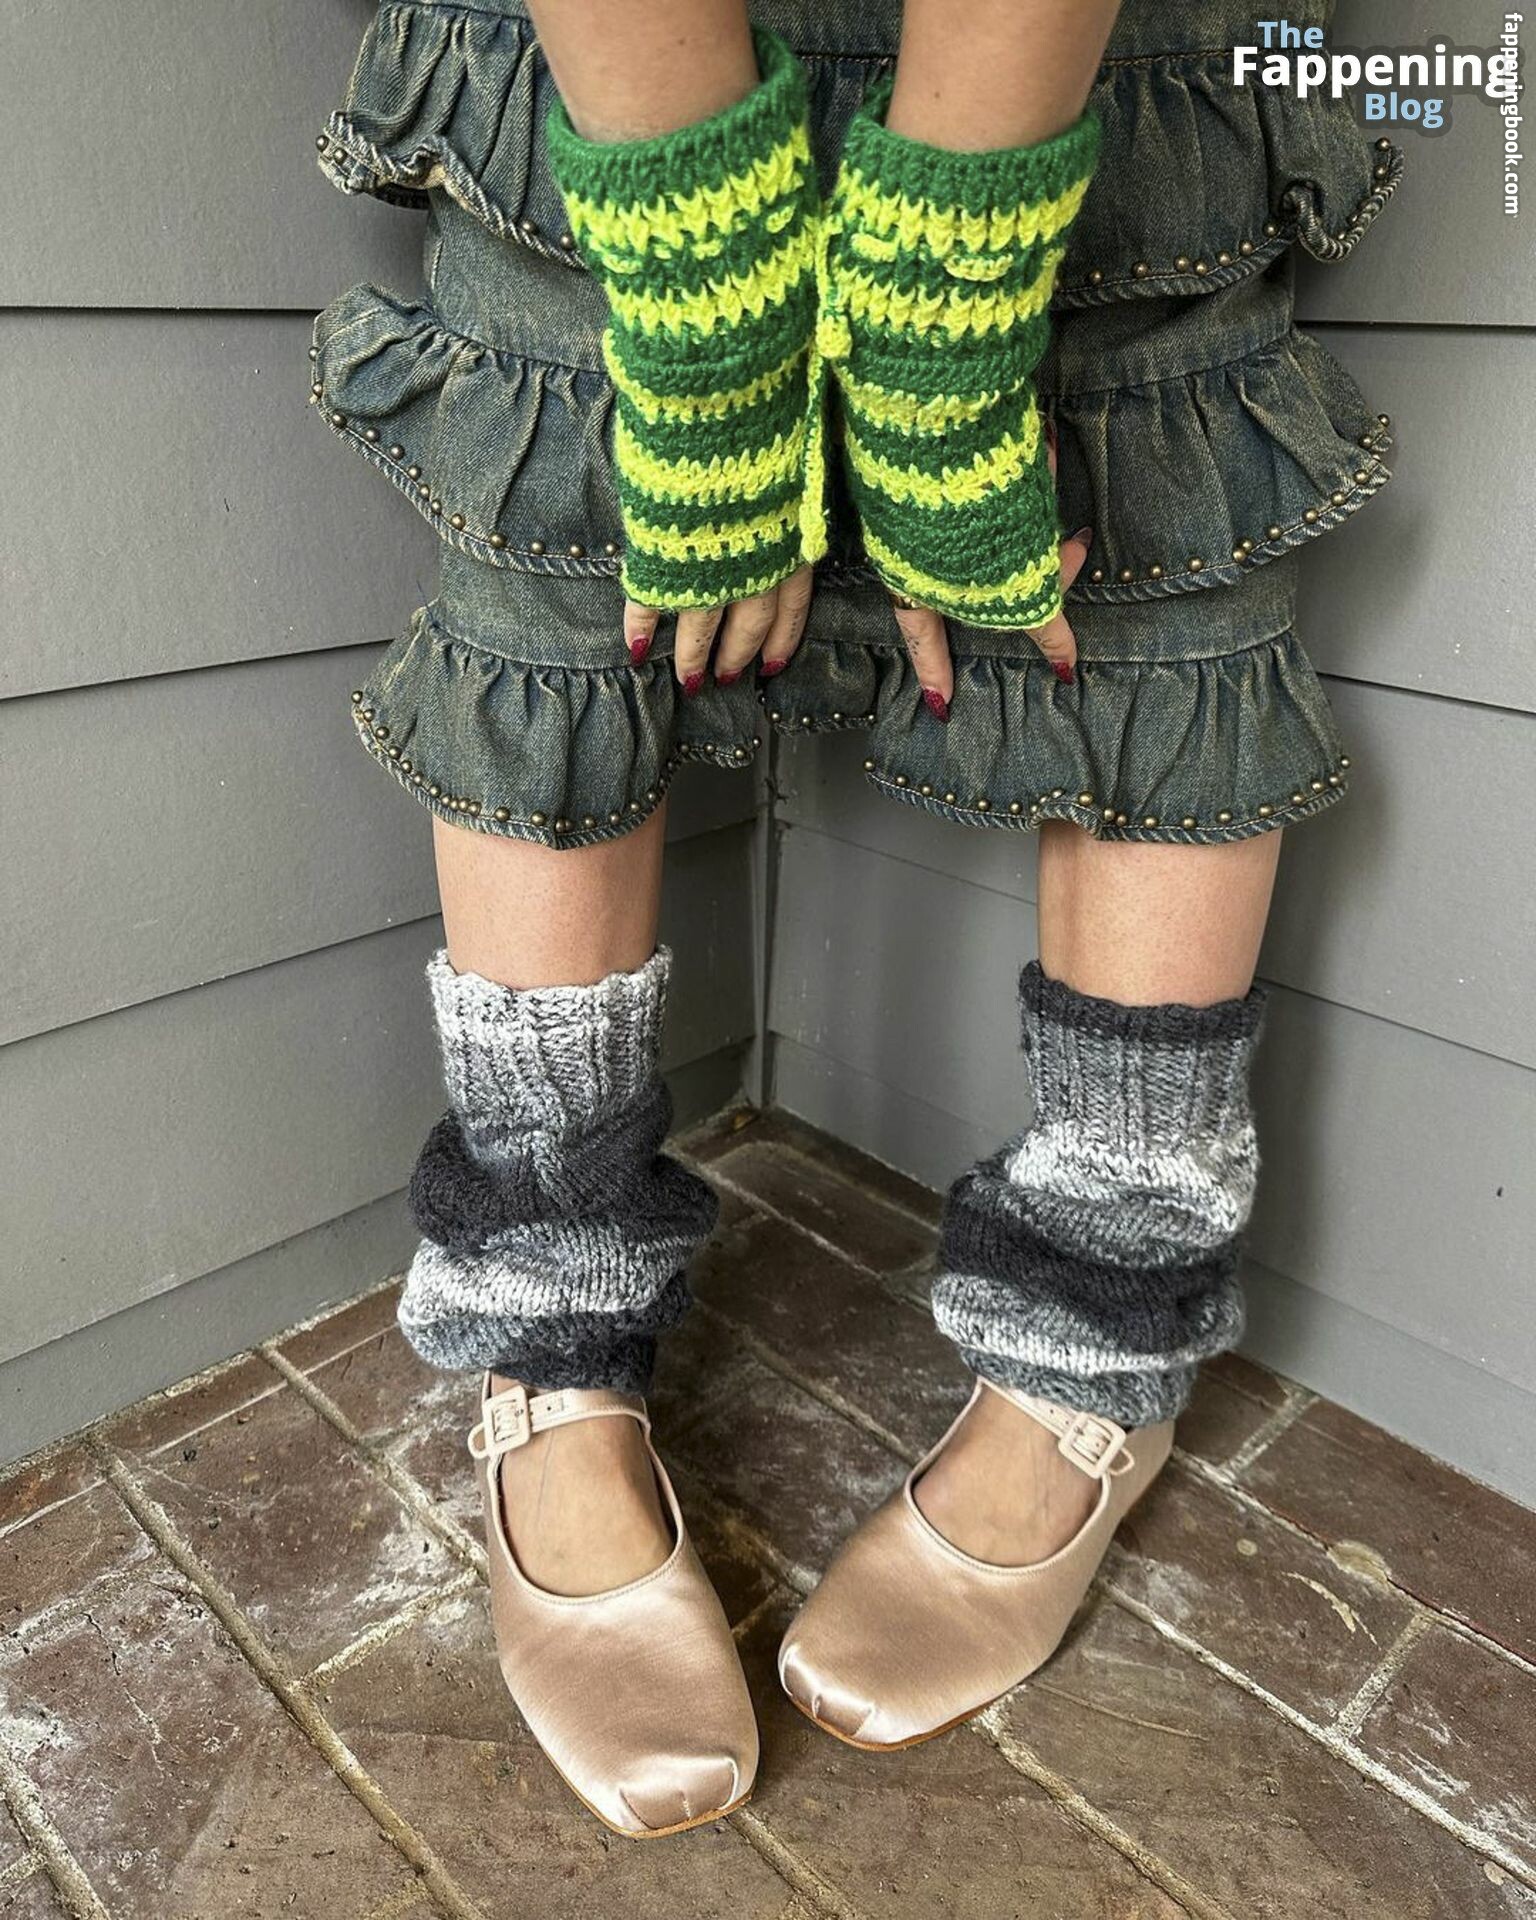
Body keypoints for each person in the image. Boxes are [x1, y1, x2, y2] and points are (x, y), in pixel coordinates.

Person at [311, 0, 1399, 1838]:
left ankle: (1090, 1359)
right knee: (557, 602)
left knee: (1144, 604)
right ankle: (549, 1349)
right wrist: (707, 333)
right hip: (599, 69)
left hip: (1104, 60)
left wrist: (941, 343)